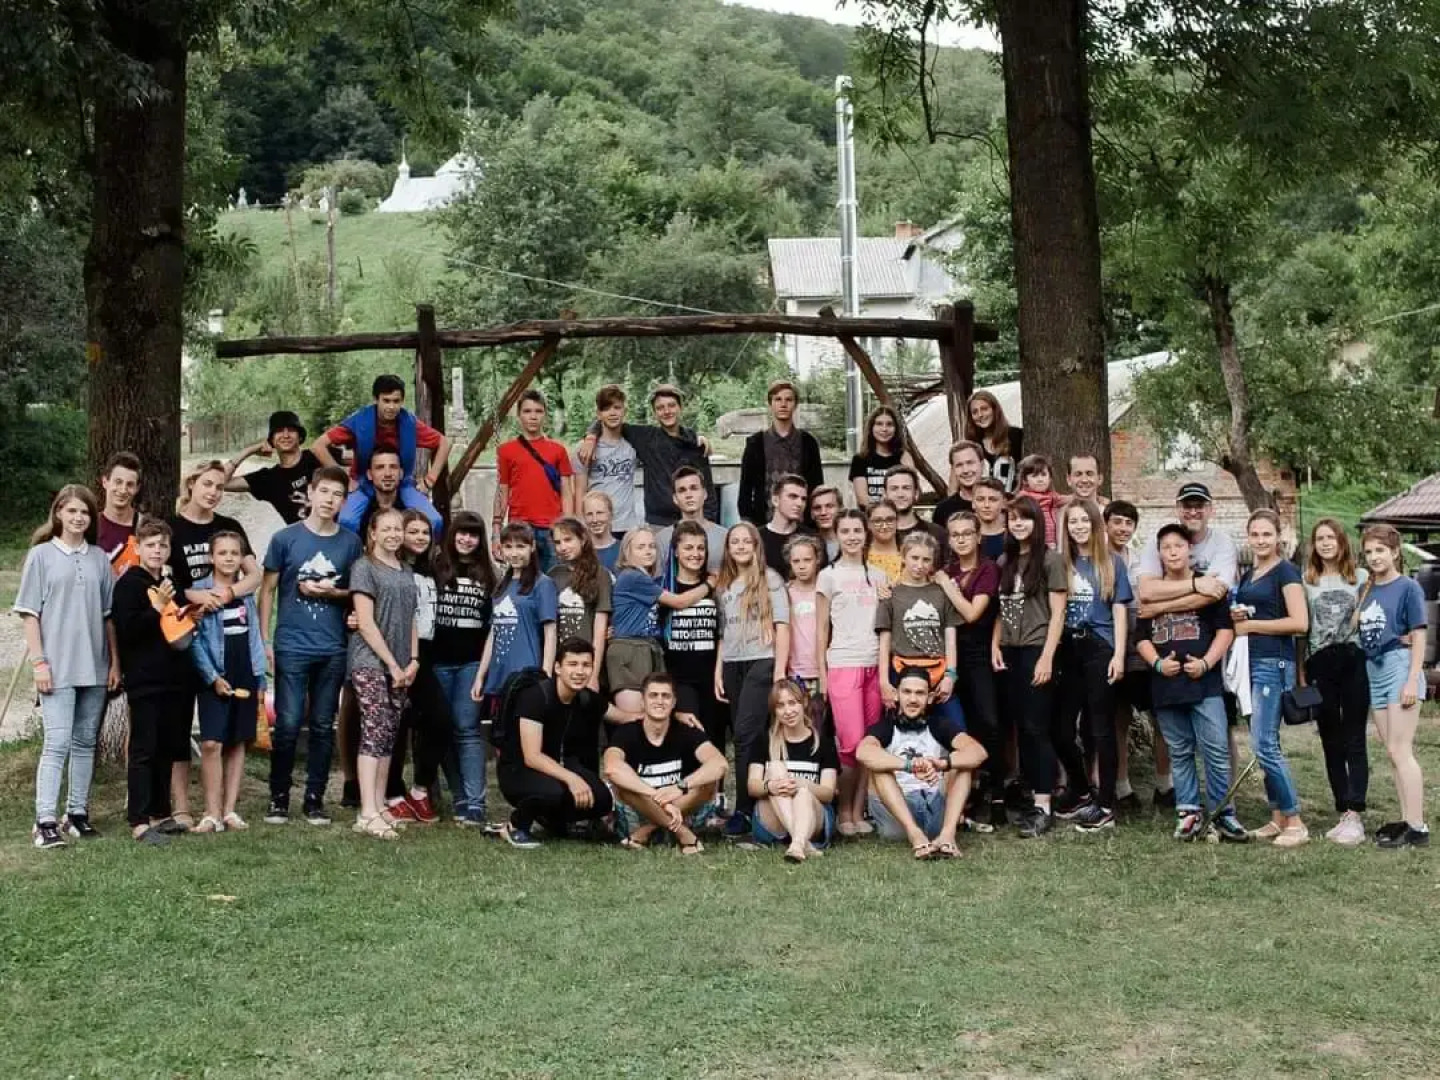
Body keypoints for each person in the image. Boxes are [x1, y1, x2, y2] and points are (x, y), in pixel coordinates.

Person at [17, 486, 120, 849]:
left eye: (85, 512)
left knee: (84, 742)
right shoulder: (41, 555)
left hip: (95, 666)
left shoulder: (99, 559)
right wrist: (39, 663)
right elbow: (30, 614)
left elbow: (108, 616)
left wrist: (115, 663)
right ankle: (44, 821)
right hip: (56, 667)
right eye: (72, 511)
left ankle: (76, 814)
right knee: (57, 742)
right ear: (58, 512)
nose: (78, 518)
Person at [259, 466, 361, 826]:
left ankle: (315, 798)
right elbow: (267, 590)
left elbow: (357, 591)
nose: (329, 500)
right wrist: (264, 638)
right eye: (324, 492)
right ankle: (279, 797)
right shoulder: (285, 539)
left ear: (343, 501)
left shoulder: (351, 543)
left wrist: (333, 594)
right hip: (291, 644)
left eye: (338, 495)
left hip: (332, 646)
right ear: (311, 493)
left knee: (321, 724)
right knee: (287, 723)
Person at [1134, 524, 1245, 842]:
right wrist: (1157, 663)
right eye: (1166, 547)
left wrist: (1207, 662)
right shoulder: (1153, 588)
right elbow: (1141, 637)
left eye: (1178, 546)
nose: (1172, 552)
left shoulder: (1208, 586)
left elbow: (1225, 630)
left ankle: (1223, 814)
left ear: (1189, 550)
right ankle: (1188, 813)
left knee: (1215, 749)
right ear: (1159, 553)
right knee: (1179, 751)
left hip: (1204, 684)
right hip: (1166, 686)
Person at [496, 638, 632, 848]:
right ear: (558, 668)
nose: (580, 671)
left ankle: (554, 822)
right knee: (555, 792)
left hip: (557, 766)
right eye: (573, 664)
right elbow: (532, 757)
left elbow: (624, 717)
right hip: (518, 771)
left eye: (586, 665)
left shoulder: (586, 697)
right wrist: (572, 779)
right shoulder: (536, 697)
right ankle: (515, 826)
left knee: (603, 799)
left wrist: (668, 715)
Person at [112, 519, 194, 844]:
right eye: (150, 545)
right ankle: (139, 819)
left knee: (166, 747)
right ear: (139, 548)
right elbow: (128, 630)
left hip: (174, 676)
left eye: (162, 545)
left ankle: (161, 812)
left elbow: (175, 624)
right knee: (144, 749)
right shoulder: (129, 585)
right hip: (145, 677)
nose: (157, 551)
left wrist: (187, 615)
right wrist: (156, 608)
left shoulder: (170, 582)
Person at [1232, 508, 1309, 848]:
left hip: (1273, 663)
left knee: (1264, 744)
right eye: (1255, 534)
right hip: (1249, 662)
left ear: (1278, 536)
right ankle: (1277, 817)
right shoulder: (1250, 574)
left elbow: (1300, 623)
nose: (1261, 540)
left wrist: (1251, 625)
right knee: (1264, 742)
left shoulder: (1286, 572)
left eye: (1267, 534)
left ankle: (1296, 820)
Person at [1053, 499, 1132, 832]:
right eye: (1073, 521)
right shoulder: (1061, 562)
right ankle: (1082, 790)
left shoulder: (1111, 562)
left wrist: (1119, 655)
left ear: (1095, 524)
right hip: (1068, 648)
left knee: (1101, 729)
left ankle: (1106, 805)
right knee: (1060, 728)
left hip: (1100, 647)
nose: (1079, 527)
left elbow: (1119, 611)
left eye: (1085, 520)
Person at [992, 496, 1067, 838]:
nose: (1018, 524)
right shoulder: (1005, 560)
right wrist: (995, 644)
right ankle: (1028, 792)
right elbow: (1001, 609)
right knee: (1021, 728)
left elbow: (1058, 613)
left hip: (1037, 648)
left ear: (1037, 522)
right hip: (1010, 650)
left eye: (1025, 518)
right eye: (1013, 519)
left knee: (1037, 728)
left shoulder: (1050, 560)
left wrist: (1047, 657)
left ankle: (1044, 803)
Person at [856, 667, 988, 859]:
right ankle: (915, 835)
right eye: (907, 692)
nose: (913, 699)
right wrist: (909, 766)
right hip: (898, 817)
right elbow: (863, 752)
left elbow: (978, 752)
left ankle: (947, 836)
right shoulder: (884, 727)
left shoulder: (940, 725)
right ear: (896, 694)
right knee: (878, 768)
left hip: (934, 809)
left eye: (920, 693)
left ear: (929, 697)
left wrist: (943, 764)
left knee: (963, 766)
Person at [346, 508, 420, 839]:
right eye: (386, 529)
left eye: (397, 529)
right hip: (371, 661)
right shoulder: (364, 568)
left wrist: (413, 660)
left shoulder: (406, 570)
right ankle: (366, 811)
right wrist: (391, 663)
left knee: (389, 734)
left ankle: (379, 805)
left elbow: (412, 617)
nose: (393, 534)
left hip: (402, 666)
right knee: (374, 730)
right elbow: (365, 621)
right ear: (373, 533)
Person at [1356, 525, 1429, 849]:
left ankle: (1418, 827)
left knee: (1401, 750)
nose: (1374, 557)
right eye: (1369, 552)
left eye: (1380, 550)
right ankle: (1406, 819)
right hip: (1375, 669)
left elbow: (1420, 635)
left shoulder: (1408, 587)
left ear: (1395, 552)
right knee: (1391, 752)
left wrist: (1412, 679)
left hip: (1400, 667)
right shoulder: (1368, 588)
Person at [715, 522, 791, 835]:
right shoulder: (725, 584)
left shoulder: (770, 579)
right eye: (735, 541)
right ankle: (756, 805)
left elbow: (782, 626)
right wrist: (718, 670)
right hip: (733, 664)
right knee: (745, 733)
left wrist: (779, 672)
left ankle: (744, 810)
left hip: (762, 661)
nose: (741, 546)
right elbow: (723, 634)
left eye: (747, 541)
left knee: (746, 733)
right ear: (728, 548)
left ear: (756, 545)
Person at [188, 532, 266, 834]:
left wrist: (259, 675)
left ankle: (230, 809)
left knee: (238, 739)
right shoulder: (200, 591)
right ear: (211, 557)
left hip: (244, 669)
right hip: (214, 673)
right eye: (222, 553)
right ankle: (211, 811)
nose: (229, 558)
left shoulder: (244, 592)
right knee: (211, 742)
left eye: (235, 553)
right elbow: (194, 640)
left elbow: (254, 634)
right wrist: (211, 677)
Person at [1302, 518, 1372, 846]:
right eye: (1320, 538)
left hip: (1353, 658)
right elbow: (1303, 631)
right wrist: (1301, 672)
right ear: (1314, 545)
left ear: (1342, 542)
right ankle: (1342, 808)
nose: (1326, 543)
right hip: (1320, 660)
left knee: (1354, 736)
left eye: (1331, 537)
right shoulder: (1307, 581)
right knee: (1331, 738)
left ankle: (1356, 812)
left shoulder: (1361, 578)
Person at [605, 673, 728, 854]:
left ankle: (649, 829)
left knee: (708, 782)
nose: (660, 701)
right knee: (624, 786)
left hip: (682, 810)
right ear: (643, 702)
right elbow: (611, 768)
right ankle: (683, 834)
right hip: (639, 813)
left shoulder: (687, 731)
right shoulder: (627, 733)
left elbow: (720, 764)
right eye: (653, 695)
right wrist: (657, 796)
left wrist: (680, 787)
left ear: (674, 702)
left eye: (666, 696)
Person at [933, 511, 1003, 825]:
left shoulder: (987, 569)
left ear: (978, 536)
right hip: (949, 654)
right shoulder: (947, 570)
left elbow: (972, 613)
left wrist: (946, 586)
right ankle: (966, 792)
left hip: (979, 653)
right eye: (955, 534)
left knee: (989, 721)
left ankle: (997, 791)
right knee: (960, 725)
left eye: (967, 533)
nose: (961, 539)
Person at [429, 511, 498, 826]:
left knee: (467, 729)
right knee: (442, 729)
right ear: (452, 534)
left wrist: (483, 671)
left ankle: (475, 802)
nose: (466, 539)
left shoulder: (490, 575)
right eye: (462, 533)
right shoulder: (437, 568)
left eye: (473, 534)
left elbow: (492, 627)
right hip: (438, 662)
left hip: (471, 664)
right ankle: (457, 795)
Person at [816, 509, 881, 837]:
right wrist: (822, 674)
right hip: (843, 664)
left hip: (875, 664)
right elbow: (820, 629)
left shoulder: (879, 575)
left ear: (866, 533)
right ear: (837, 535)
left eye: (858, 530)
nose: (852, 536)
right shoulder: (828, 576)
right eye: (846, 531)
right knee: (850, 742)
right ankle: (843, 811)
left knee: (870, 743)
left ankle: (858, 811)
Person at [314, 374, 449, 533]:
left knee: (434, 520)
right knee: (346, 520)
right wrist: (344, 479)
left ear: (402, 401)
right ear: (376, 399)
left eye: (396, 401)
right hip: (363, 482)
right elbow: (318, 446)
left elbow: (444, 443)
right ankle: (354, 549)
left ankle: (426, 549)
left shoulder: (410, 423)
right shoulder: (360, 420)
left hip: (402, 481)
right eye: (386, 400)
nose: (391, 407)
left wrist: (430, 480)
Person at [1103, 500, 1171, 808]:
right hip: (1113, 650)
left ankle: (1164, 785)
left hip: (1145, 647)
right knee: (1119, 718)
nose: (1122, 528)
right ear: (1106, 524)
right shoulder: (1098, 559)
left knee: (1160, 717)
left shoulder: (1143, 561)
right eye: (1117, 522)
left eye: (1128, 523)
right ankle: (1122, 787)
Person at [577, 383, 716, 527]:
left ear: (680, 408)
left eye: (671, 405)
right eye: (660, 408)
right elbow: (610, 421)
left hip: (693, 522)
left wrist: (709, 524)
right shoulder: (645, 438)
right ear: (654, 413)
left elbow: (709, 490)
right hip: (659, 523)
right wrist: (591, 436)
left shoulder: (695, 444)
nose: (667, 411)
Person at [606, 528, 712, 713]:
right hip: (631, 649)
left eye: (652, 546)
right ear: (627, 552)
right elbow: (680, 602)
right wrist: (709, 584)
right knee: (636, 717)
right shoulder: (632, 576)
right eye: (640, 547)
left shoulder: (648, 579)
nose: (648, 551)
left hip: (647, 648)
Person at [383, 511, 443, 824]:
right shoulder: (395, 569)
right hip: (401, 651)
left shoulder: (431, 569)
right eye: (413, 531)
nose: (420, 537)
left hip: (428, 652)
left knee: (439, 719)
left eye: (425, 532)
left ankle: (420, 790)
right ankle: (392, 792)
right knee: (397, 724)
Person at [876, 532, 964, 731]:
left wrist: (951, 675)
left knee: (957, 727)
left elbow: (950, 638)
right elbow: (885, 642)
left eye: (926, 560)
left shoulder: (942, 593)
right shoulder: (891, 595)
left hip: (938, 672)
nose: (919, 564)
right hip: (902, 670)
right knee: (902, 731)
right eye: (914, 558)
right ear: (903, 557)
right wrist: (884, 682)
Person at [744, 680, 840, 862]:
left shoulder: (823, 743)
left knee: (802, 793)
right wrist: (770, 786)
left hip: (814, 818)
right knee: (775, 768)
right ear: (774, 711)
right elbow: (752, 786)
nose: (788, 711)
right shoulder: (764, 740)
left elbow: (828, 793)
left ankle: (797, 842)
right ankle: (801, 842)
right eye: (780, 706)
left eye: (792, 703)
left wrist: (803, 784)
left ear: (804, 703)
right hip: (773, 819)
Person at [475, 523, 559, 708]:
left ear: (532, 547)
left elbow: (550, 632)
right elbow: (494, 633)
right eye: (508, 546)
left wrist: (545, 675)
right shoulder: (501, 586)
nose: (514, 553)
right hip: (498, 675)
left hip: (527, 673)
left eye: (520, 546)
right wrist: (481, 675)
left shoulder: (543, 584)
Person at [493, 390, 575, 572]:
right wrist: (496, 532)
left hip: (552, 527)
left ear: (545, 414)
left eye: (538, 411)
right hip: (520, 526)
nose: (533, 416)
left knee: (556, 577)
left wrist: (567, 527)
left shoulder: (558, 450)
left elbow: (567, 492)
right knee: (522, 578)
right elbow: (502, 491)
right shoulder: (506, 451)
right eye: (527, 411)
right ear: (519, 415)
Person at [738, 379, 824, 526]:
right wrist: (748, 520)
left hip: (802, 524)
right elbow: (746, 487)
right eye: (778, 399)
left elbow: (816, 485)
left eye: (788, 400)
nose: (783, 404)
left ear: (795, 404)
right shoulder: (755, 443)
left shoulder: (808, 442)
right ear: (770, 404)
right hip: (764, 523)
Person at [223, 410, 323, 524]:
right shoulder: (268, 479)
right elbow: (222, 483)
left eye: (291, 430)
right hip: (300, 535)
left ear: (300, 437)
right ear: (271, 440)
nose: (286, 435)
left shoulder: (318, 456)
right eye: (279, 431)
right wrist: (249, 451)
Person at [549, 517, 613, 689]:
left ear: (583, 539)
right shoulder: (552, 575)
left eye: (568, 540)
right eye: (558, 542)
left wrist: (594, 673)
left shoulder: (600, 574)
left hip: (586, 661)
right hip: (562, 662)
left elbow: (600, 628)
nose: (563, 547)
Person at [570, 384, 641, 537]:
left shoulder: (633, 445)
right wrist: (581, 528)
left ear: (624, 411)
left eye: (617, 407)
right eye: (606, 408)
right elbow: (580, 491)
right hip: (597, 526)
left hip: (628, 526)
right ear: (599, 414)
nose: (613, 413)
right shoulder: (584, 449)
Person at [653, 466, 729, 573]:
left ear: (705, 494)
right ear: (675, 498)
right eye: (682, 490)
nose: (688, 495)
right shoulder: (662, 539)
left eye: (694, 488)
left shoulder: (725, 537)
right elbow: (657, 579)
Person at [849, 405, 908, 506]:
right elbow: (862, 499)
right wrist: (884, 509)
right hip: (870, 515)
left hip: (899, 514)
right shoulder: (860, 459)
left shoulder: (904, 457)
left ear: (896, 429)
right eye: (879, 424)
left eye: (889, 424)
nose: (884, 429)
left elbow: (913, 492)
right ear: (871, 428)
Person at [965, 389, 1023, 493]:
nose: (980, 415)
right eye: (975, 412)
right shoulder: (972, 443)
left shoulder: (1016, 435)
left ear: (995, 410)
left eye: (984, 409)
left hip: (1014, 497)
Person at [760, 474, 819, 575]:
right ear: (775, 500)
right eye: (793, 496)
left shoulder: (813, 538)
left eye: (803, 499)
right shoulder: (756, 537)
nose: (799, 503)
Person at [97, 451, 143, 574]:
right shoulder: (89, 526)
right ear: (105, 482)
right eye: (118, 482)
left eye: (130, 484)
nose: (123, 490)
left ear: (137, 488)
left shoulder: (145, 529)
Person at [883, 465, 944, 546]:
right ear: (885, 494)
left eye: (906, 488)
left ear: (916, 493)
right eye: (894, 489)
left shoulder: (937, 534)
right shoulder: (873, 535)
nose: (900, 494)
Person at [932, 441, 984, 530]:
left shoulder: (999, 503)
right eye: (959, 465)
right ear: (953, 470)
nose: (965, 470)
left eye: (970, 463)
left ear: (982, 465)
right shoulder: (943, 510)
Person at [1016, 454, 1062, 548]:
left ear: (1050, 478)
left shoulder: (1052, 496)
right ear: (1025, 480)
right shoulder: (1023, 498)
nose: (1040, 479)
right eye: (1035, 476)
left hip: (1053, 543)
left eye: (1044, 475)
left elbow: (1066, 499)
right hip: (1034, 544)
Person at [865, 499, 904, 583]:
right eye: (877, 521)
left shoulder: (910, 554)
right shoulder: (860, 556)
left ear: (897, 521)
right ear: (868, 524)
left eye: (890, 520)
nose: (884, 526)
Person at [581, 491, 621, 572]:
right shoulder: (579, 552)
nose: (595, 520)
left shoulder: (624, 550)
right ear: (584, 517)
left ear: (610, 514)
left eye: (600, 513)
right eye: (589, 514)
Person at [972, 478, 1008, 561]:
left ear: (1003, 503)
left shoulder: (1014, 533)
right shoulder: (963, 532)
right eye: (980, 499)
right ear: (973, 503)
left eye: (993, 500)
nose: (987, 505)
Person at [808, 485, 842, 562]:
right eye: (817, 508)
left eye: (829, 506)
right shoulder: (806, 545)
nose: (823, 512)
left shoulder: (853, 542)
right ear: (811, 513)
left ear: (840, 509)